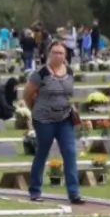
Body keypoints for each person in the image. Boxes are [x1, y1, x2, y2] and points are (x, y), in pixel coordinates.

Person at [23, 41, 84, 205]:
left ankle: (74, 193)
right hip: (44, 119)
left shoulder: (69, 72)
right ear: (49, 54)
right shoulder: (40, 73)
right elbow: (27, 94)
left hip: (64, 117)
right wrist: (34, 110)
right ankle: (35, 190)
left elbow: (68, 94)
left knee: (70, 153)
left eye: (62, 53)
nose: (59, 56)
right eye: (56, 53)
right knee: (42, 152)